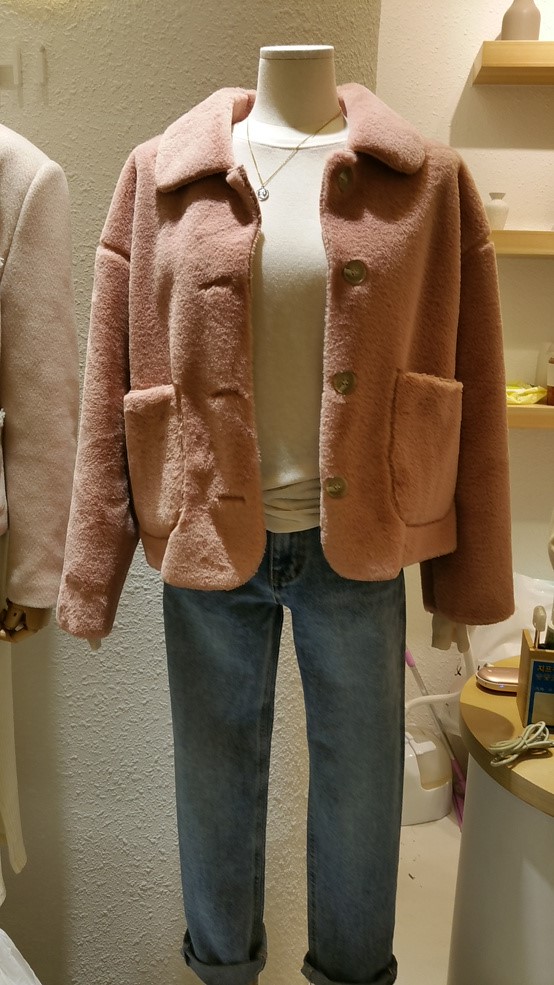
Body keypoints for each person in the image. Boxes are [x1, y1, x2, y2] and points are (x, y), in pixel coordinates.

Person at [57, 45, 514, 985]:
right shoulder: (159, 176)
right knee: (213, 797)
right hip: (206, 535)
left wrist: (467, 583)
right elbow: (111, 379)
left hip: (362, 541)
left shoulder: (428, 181)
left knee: (360, 804)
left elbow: (472, 369)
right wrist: (91, 572)